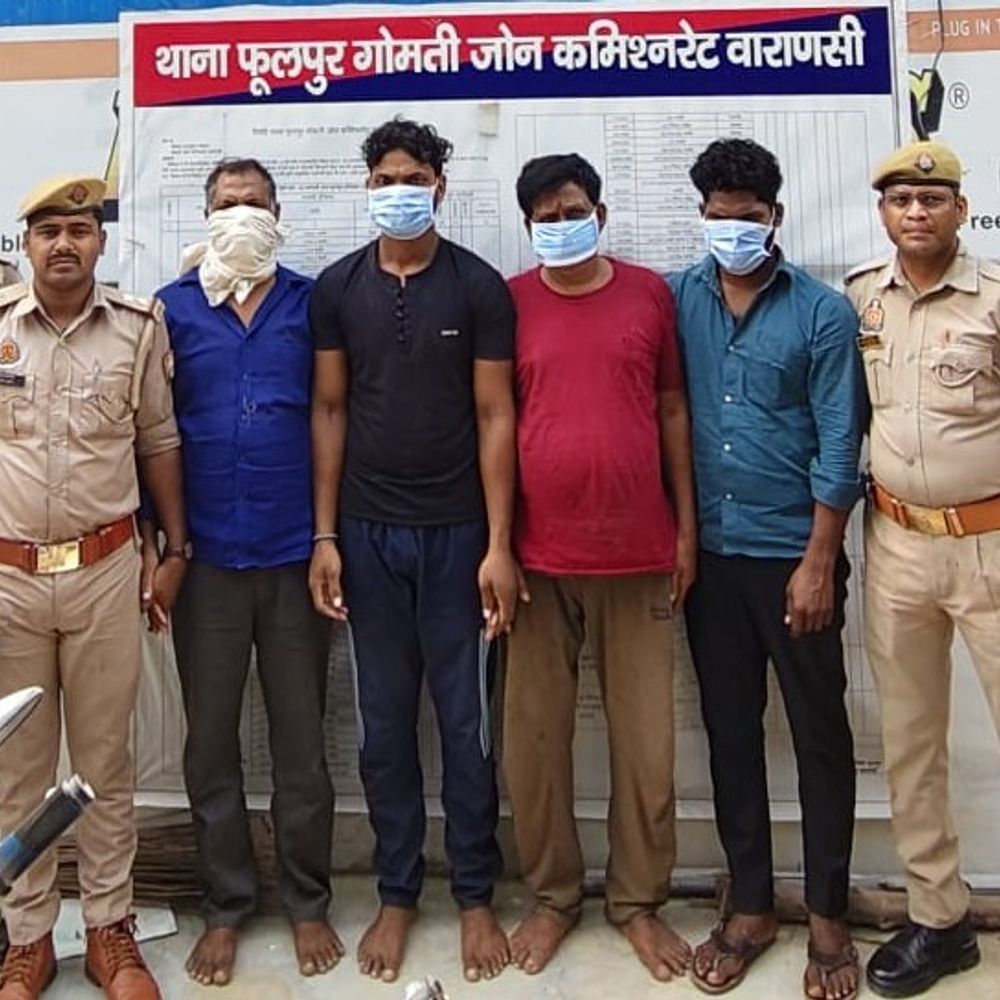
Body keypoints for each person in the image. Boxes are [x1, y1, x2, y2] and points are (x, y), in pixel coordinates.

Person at [308, 118, 519, 984]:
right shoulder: (337, 287)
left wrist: (499, 544)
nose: (400, 190)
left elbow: (496, 415)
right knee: (384, 725)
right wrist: (325, 536)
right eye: (385, 178)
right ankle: (397, 892)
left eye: (414, 177)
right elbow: (329, 409)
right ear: (368, 188)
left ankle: (473, 893)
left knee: (467, 726)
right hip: (365, 536)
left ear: (439, 186)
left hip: (460, 536)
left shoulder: (478, 287)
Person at [669, 139, 865, 999]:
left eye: (748, 218)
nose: (733, 231)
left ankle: (827, 916)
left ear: (775, 216)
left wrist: (820, 560)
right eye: (719, 217)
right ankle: (750, 905)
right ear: (702, 215)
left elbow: (840, 443)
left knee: (819, 735)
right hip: (712, 559)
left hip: (795, 556)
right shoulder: (677, 299)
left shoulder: (822, 312)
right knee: (730, 731)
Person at [501, 153, 697, 982]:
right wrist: (496, 546)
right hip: (536, 563)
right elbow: (492, 422)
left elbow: (672, 407)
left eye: (574, 210)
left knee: (646, 747)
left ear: (602, 214)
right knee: (533, 745)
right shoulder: (509, 302)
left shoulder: (649, 294)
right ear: (528, 227)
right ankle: (553, 897)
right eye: (546, 217)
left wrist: (686, 528)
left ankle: (638, 902)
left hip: (640, 553)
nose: (562, 224)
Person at [145, 157, 340, 988]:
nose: (240, 216)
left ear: (277, 213)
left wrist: (328, 536)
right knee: (211, 744)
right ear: (206, 215)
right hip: (206, 563)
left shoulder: (311, 303)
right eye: (226, 205)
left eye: (254, 204)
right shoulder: (171, 310)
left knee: (302, 743)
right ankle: (226, 905)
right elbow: (152, 428)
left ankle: (306, 900)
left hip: (295, 554)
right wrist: (161, 544)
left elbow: (332, 412)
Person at [0, 176, 187, 1000]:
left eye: (79, 230)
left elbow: (158, 439)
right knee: (19, 770)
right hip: (9, 579)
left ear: (100, 243)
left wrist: (175, 546)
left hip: (105, 570)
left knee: (104, 764)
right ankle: (28, 936)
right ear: (27, 245)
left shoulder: (138, 329)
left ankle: (111, 929)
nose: (64, 245)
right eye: (48, 232)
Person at [844, 139, 996, 998]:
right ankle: (940, 920)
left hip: (991, 544)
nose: (916, 212)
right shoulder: (864, 296)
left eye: (932, 200)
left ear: (960, 211)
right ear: (883, 213)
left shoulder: (994, 297)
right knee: (910, 743)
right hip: (898, 543)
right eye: (901, 200)